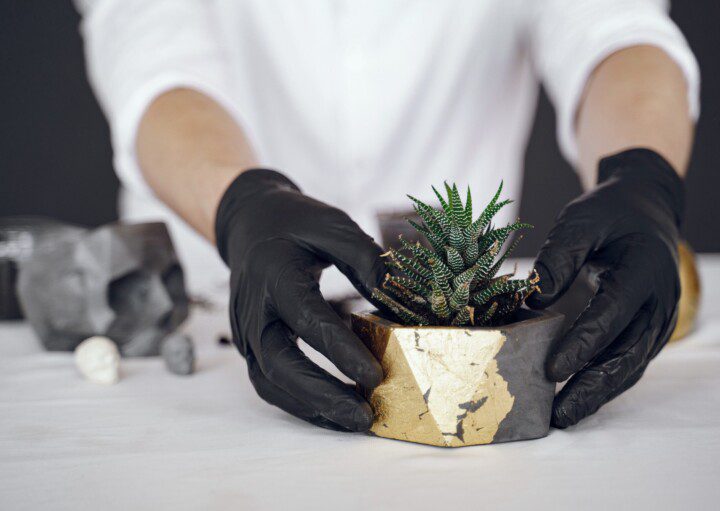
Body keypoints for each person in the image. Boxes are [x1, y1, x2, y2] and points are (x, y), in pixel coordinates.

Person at [75, 0, 700, 432]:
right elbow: (153, 58)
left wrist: (640, 177)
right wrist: (240, 205)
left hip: (470, 333)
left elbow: (617, 30)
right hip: (216, 315)